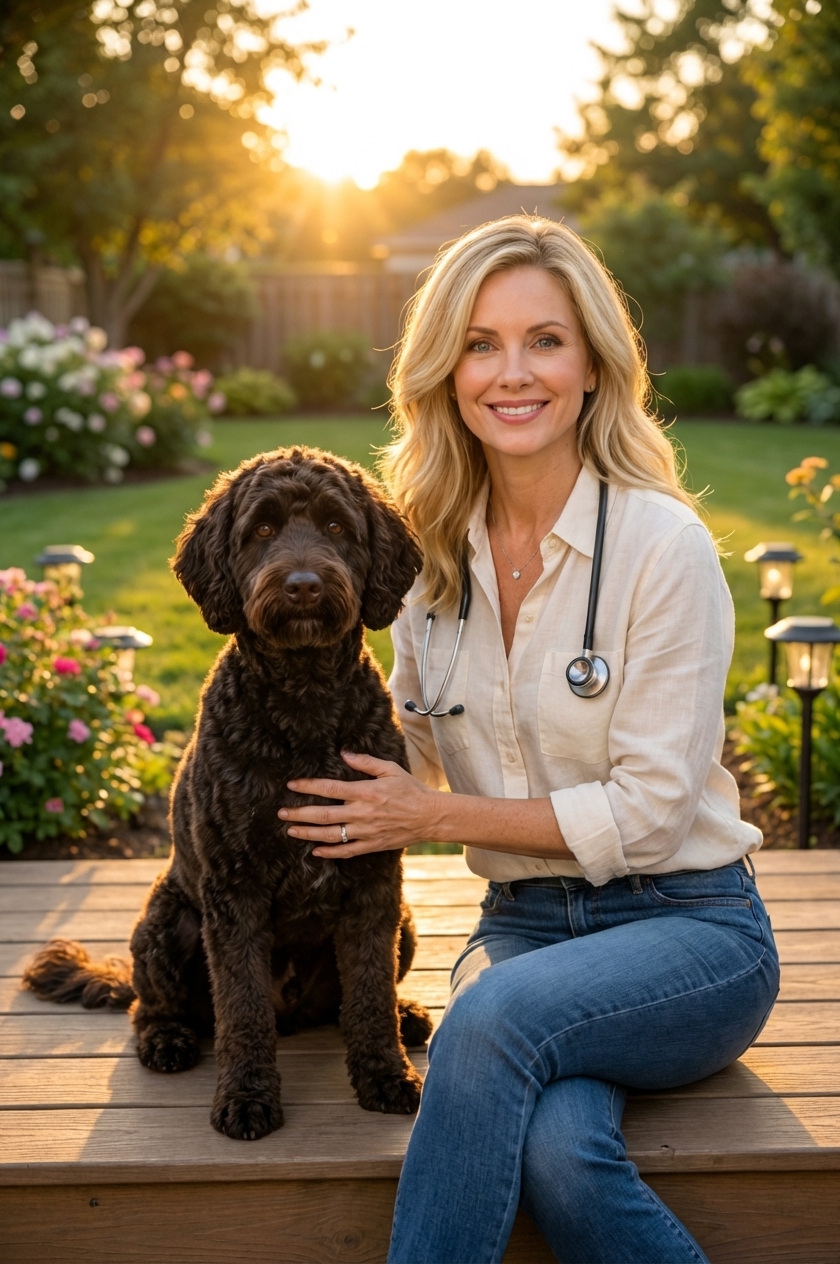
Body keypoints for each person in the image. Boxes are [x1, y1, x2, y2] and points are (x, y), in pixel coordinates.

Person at [279, 216, 780, 1264]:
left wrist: (434, 815)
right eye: (479, 342)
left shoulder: (660, 547)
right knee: (557, 1151)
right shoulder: (423, 562)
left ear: (594, 365)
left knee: (488, 1024)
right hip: (526, 929)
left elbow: (646, 815)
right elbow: (410, 745)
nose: (513, 372)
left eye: (545, 340)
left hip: (688, 930)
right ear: (444, 372)